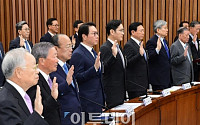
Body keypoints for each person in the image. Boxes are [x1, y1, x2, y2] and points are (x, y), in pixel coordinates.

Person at [0, 48, 48, 125]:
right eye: (34, 67)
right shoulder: (5, 102)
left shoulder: (22, 94)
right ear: (19, 72)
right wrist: (37, 114)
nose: (37, 71)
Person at [70, 22, 105, 122]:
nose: (97, 36)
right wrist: (94, 69)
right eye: (94, 34)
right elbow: (77, 77)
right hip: (88, 101)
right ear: (84, 36)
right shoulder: (78, 53)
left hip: (97, 100)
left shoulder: (93, 51)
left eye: (97, 33)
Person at [50, 34, 82, 125]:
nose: (71, 49)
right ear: (56, 49)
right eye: (68, 46)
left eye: (71, 46)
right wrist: (66, 83)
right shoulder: (52, 69)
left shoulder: (67, 66)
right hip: (64, 117)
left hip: (76, 115)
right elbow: (53, 93)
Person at [27, 42, 61, 125]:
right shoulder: (34, 81)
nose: (57, 60)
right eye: (54, 57)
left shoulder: (49, 78)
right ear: (42, 60)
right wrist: (53, 98)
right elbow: (38, 111)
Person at [100, 20, 126, 108]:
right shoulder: (105, 48)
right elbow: (104, 69)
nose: (123, 33)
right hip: (112, 92)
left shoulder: (118, 47)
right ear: (112, 31)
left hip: (120, 90)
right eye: (121, 30)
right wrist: (113, 56)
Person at [123, 22, 148, 99]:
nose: (143, 33)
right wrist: (139, 55)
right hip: (135, 85)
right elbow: (128, 63)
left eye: (143, 31)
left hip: (142, 84)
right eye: (141, 31)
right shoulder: (129, 45)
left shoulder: (140, 44)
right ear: (133, 32)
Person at [146, 20, 171, 91]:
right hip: (158, 79)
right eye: (165, 28)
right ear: (158, 30)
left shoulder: (165, 41)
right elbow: (150, 57)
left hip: (167, 77)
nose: (167, 30)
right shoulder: (152, 41)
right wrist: (157, 49)